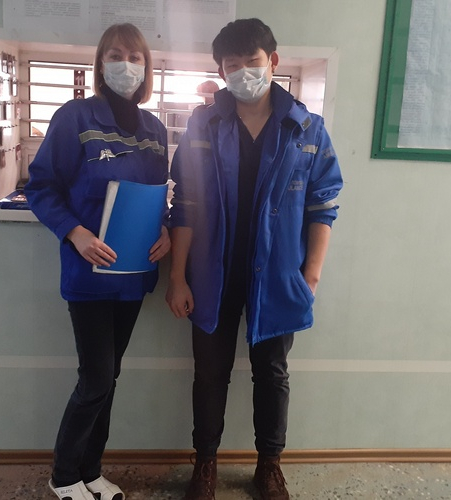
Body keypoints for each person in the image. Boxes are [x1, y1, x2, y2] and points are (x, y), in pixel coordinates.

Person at [166, 18, 343, 500]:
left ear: (273, 62)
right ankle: (205, 464)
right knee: (210, 372)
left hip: (279, 273)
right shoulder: (203, 124)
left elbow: (324, 203)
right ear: (220, 71)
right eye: (233, 65)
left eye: (253, 61)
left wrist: (311, 273)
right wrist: (177, 276)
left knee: (272, 373)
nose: (244, 72)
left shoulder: (306, 127)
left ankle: (269, 465)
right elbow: (185, 203)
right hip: (213, 273)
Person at [25, 23, 170, 500]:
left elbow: (157, 196)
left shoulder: (154, 130)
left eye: (135, 56)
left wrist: (165, 229)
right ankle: (64, 475)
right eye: (116, 55)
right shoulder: (74, 117)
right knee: (95, 380)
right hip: (88, 273)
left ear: (147, 66)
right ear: (101, 64)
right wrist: (76, 232)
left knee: (110, 378)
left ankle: (91, 471)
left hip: (134, 274)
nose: (126, 64)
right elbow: (41, 187)